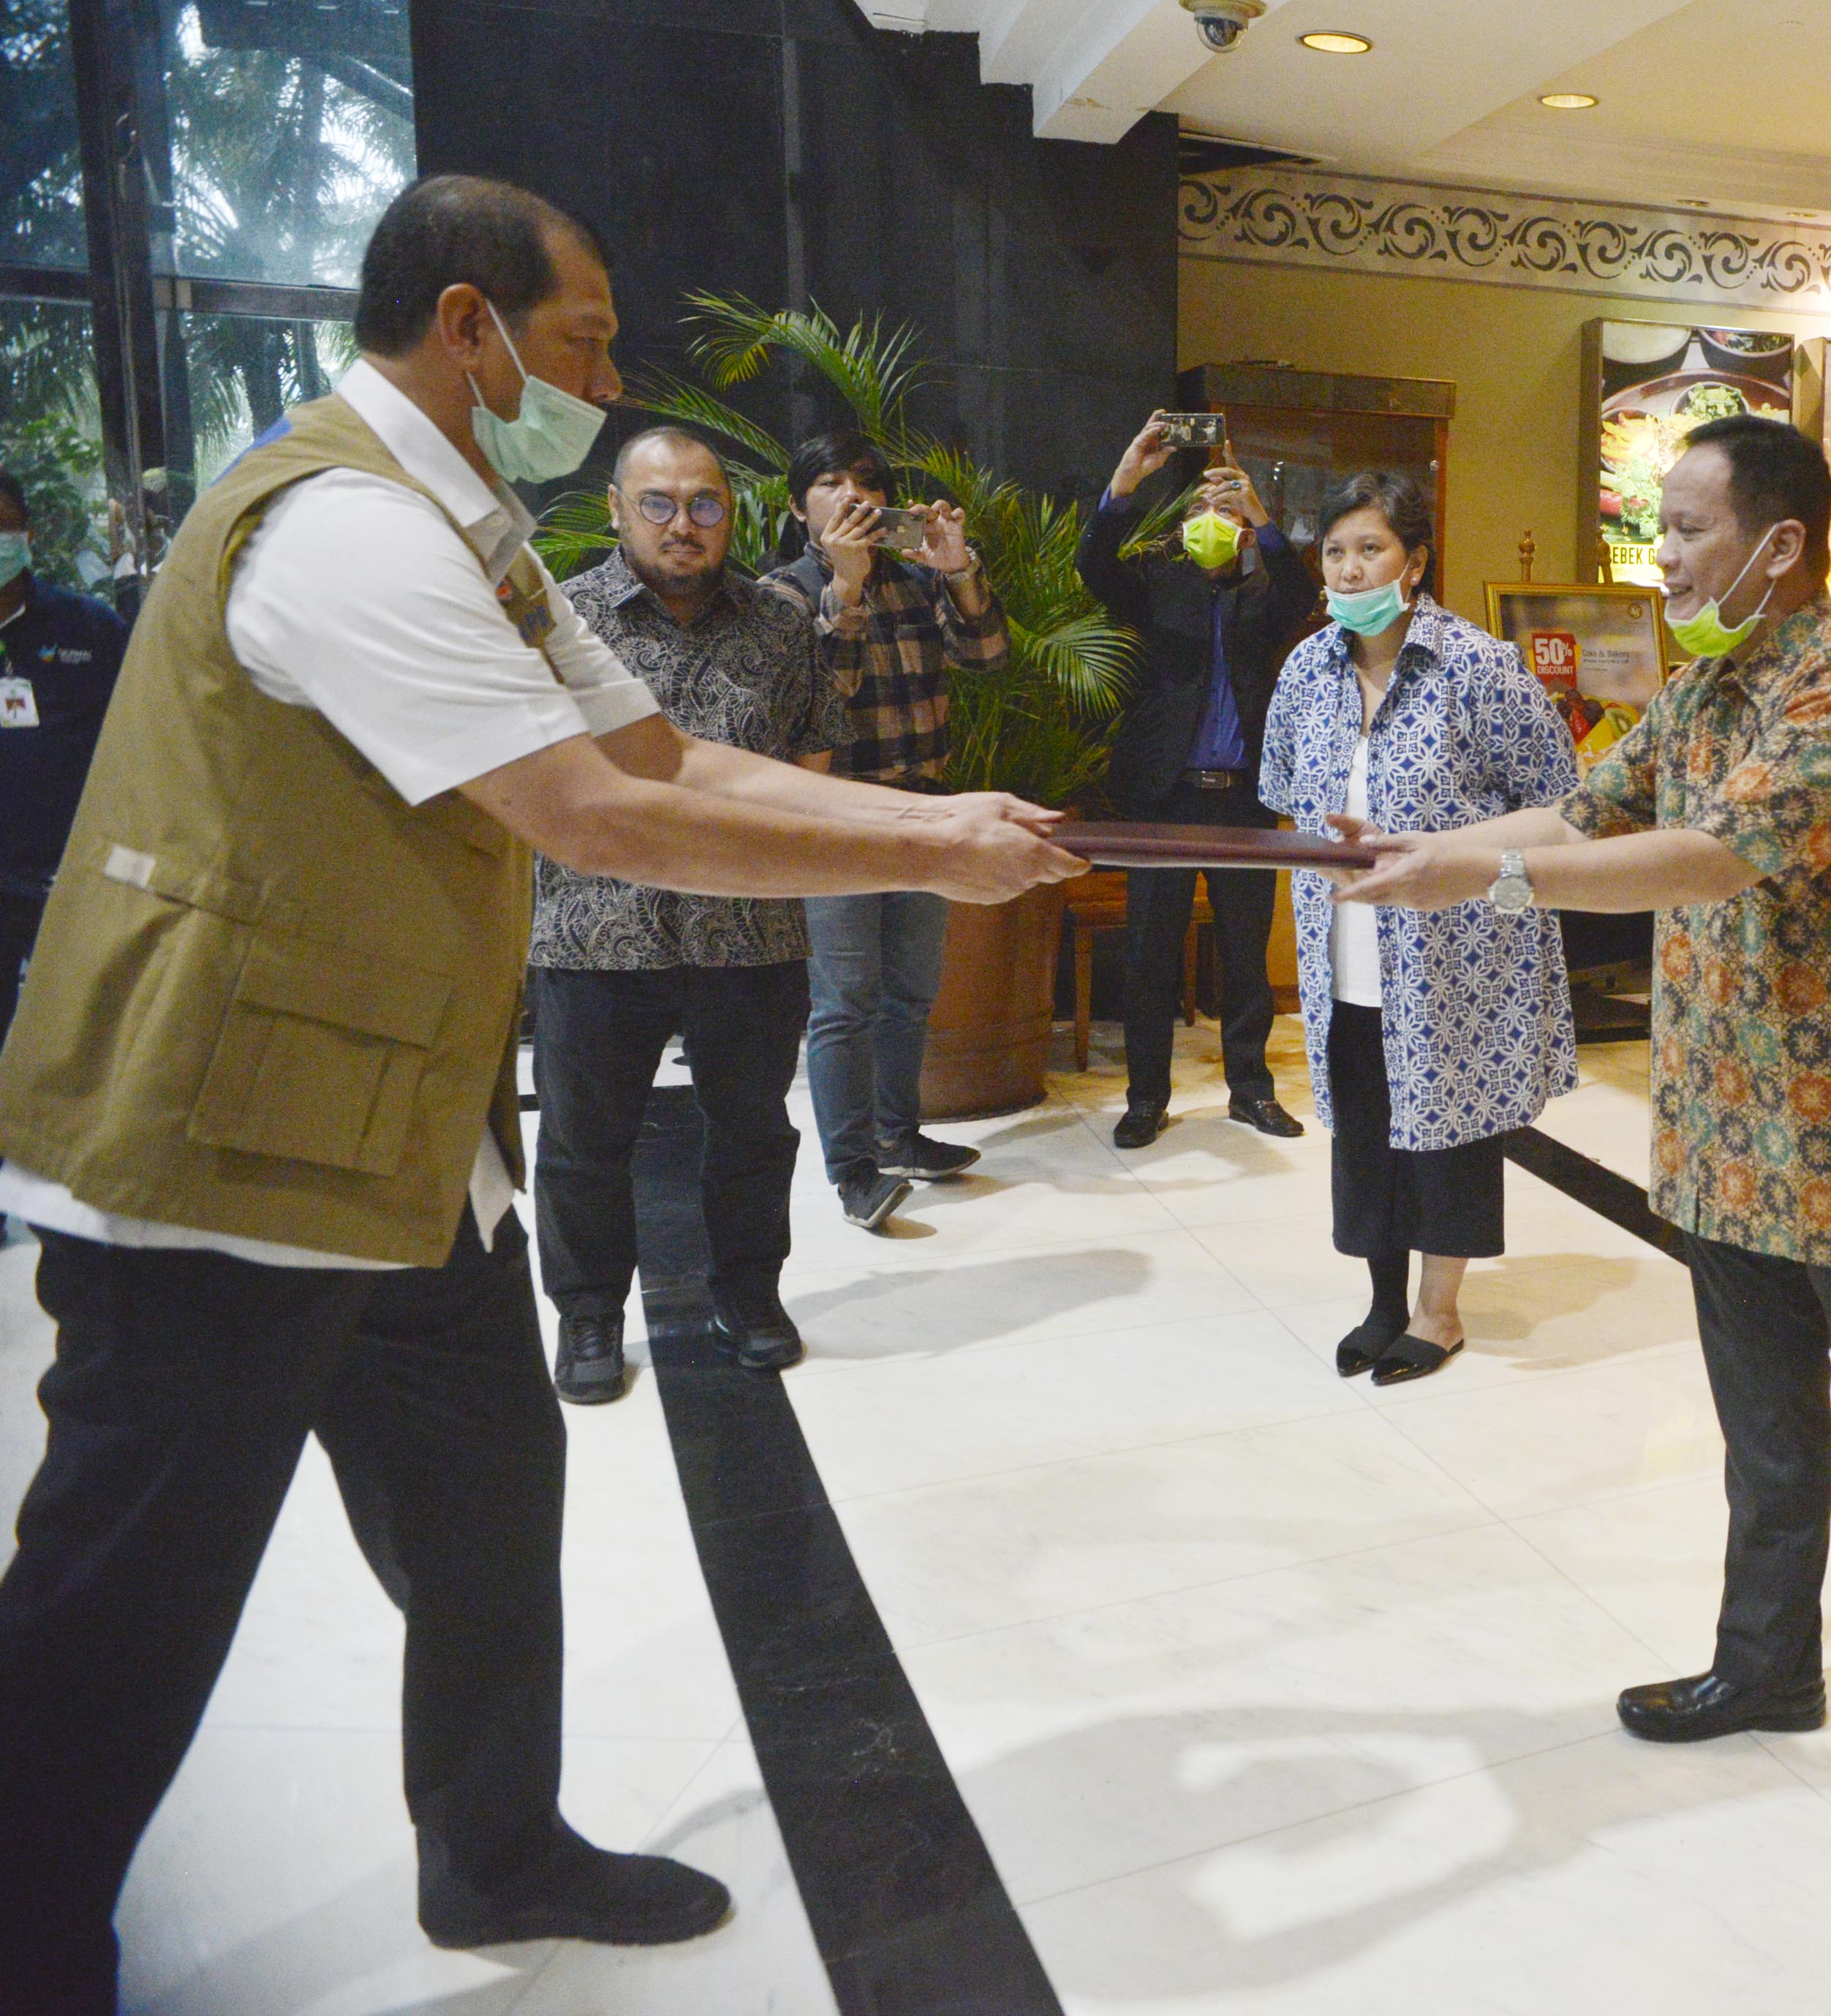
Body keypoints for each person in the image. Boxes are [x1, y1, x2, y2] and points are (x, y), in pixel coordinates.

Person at [0, 174, 1081, 2014]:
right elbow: (591, 816)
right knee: (129, 1593)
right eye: (577, 339)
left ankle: (494, 1850)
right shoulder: (344, 528)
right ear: (466, 324)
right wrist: (911, 865)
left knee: (493, 1495)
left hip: (398, 1135)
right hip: (221, 1138)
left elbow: (661, 745)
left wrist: (936, 820)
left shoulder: (468, 526)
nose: (598, 377)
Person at [1339, 413, 1831, 1843]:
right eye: (1658, 529)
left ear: (1779, 542)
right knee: (1765, 1428)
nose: (1659, 555)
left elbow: (1726, 854)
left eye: (1684, 530)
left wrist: (1490, 887)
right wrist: (1455, 850)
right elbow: (1586, 806)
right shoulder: (1709, 691)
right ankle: (1767, 1663)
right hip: (1729, 1125)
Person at [529, 427, 850, 1405]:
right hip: (593, 930)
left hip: (747, 931)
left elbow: (813, 757)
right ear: (620, 511)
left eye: (704, 504)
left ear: (731, 514)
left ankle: (750, 1296)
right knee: (585, 1140)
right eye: (658, 503)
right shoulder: (562, 621)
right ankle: (588, 1312)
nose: (683, 524)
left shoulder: (782, 624)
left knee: (754, 1131)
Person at [1261, 471, 1579, 1384]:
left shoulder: (1478, 667)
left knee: (1451, 1132)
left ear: (1417, 562)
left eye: (1372, 549)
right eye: (1335, 552)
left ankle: (1439, 1314)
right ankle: (1382, 1301)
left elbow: (1560, 807)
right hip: (1344, 951)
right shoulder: (1305, 670)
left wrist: (1507, 912)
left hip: (1460, 953)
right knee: (1365, 1128)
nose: (1352, 569)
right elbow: (1286, 798)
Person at [766, 430, 1008, 1230]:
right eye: (831, 481)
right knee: (844, 1001)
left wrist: (960, 569)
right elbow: (814, 705)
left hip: (925, 808)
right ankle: (852, 1172)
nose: (853, 494)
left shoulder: (913, 583)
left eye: (866, 480)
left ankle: (900, 1137)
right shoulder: (784, 594)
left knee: (910, 992)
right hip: (835, 820)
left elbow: (987, 655)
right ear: (801, 505)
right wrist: (846, 587)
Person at [1079, 416, 1318, 1149]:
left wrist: (1261, 513)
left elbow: (1304, 593)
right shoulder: (1157, 585)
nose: (1211, 522)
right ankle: (1146, 1097)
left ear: (1242, 529)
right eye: (1200, 512)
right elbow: (1094, 566)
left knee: (1247, 955)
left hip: (1244, 796)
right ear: (1183, 529)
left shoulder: (1264, 594)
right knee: (1152, 952)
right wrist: (1126, 478)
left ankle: (1250, 1091)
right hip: (1166, 794)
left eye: (1225, 511)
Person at [0, 469, 127, 1050]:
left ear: (25, 532)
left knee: (81, 1046)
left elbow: (140, 734)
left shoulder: (90, 629)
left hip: (71, 879)